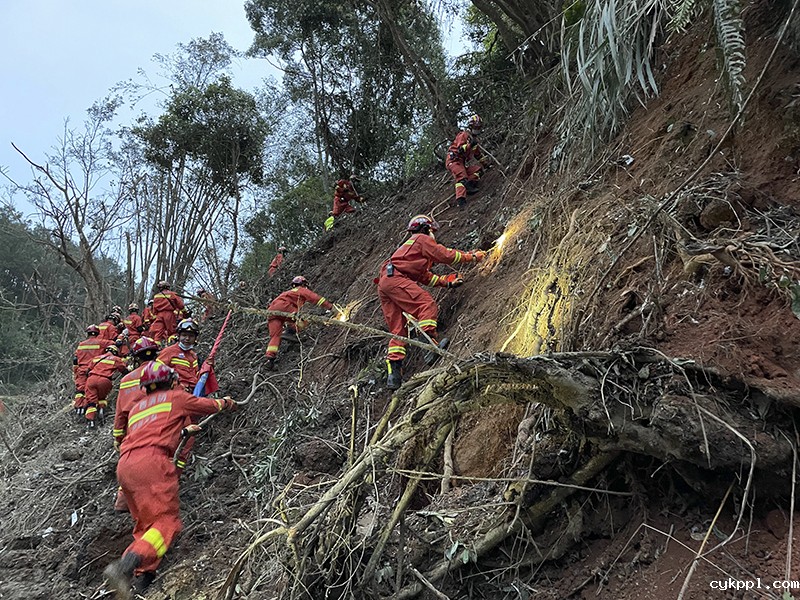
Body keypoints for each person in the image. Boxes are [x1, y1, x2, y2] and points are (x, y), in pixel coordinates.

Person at [102, 362, 236, 598]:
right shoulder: (176, 397)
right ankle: (125, 565)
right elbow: (209, 405)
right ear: (171, 380)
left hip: (125, 466)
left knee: (146, 524)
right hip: (152, 462)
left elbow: (153, 428)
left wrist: (181, 431)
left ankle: (143, 579)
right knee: (166, 523)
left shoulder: (136, 408)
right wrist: (226, 402)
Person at [376, 214, 485, 390]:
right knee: (426, 304)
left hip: (386, 283)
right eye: (433, 231)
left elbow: (426, 278)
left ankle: (394, 374)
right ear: (427, 229)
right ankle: (429, 345)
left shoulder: (409, 252)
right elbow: (446, 255)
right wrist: (472, 257)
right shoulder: (421, 239)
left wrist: (448, 282)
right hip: (395, 279)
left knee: (398, 331)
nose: (434, 235)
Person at [112, 336, 160, 513]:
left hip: (134, 428)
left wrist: (118, 437)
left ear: (136, 357)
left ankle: (123, 502)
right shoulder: (163, 371)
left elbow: (120, 414)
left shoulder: (126, 381)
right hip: (157, 424)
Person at [265, 276, 340, 370]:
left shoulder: (287, 293)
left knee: (275, 336)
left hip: (271, 311)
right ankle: (289, 333)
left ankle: (270, 360)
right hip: (284, 306)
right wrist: (331, 307)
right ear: (303, 284)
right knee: (303, 320)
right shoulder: (301, 290)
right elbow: (316, 298)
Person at [445, 114, 491, 207]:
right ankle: (461, 200)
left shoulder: (474, 141)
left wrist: (486, 164)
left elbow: (478, 155)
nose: (478, 129)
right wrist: (470, 144)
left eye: (479, 127)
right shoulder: (463, 135)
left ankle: (469, 185)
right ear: (471, 126)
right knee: (462, 177)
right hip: (454, 161)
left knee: (477, 170)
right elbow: (460, 149)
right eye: (476, 127)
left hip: (461, 162)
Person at [84, 343, 129, 427]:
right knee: (102, 398)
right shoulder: (116, 359)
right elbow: (123, 370)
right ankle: (101, 412)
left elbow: (88, 370)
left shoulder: (96, 358)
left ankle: (90, 422)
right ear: (116, 352)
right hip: (105, 380)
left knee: (91, 402)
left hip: (91, 379)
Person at [72, 325, 104, 414]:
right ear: (98, 333)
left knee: (80, 390)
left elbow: (75, 359)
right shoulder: (101, 342)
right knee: (91, 390)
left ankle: (79, 408)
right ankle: (90, 410)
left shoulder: (81, 345)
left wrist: (75, 371)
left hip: (81, 370)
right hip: (93, 370)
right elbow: (113, 345)